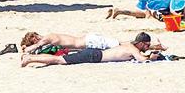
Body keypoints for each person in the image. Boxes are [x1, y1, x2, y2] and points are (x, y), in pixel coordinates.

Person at [19, 32, 156, 66]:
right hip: (91, 47)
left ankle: (30, 58)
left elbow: (37, 45)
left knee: (118, 44)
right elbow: (142, 59)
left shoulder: (49, 37)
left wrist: (27, 48)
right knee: (59, 60)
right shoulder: (50, 37)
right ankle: (30, 59)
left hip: (90, 45)